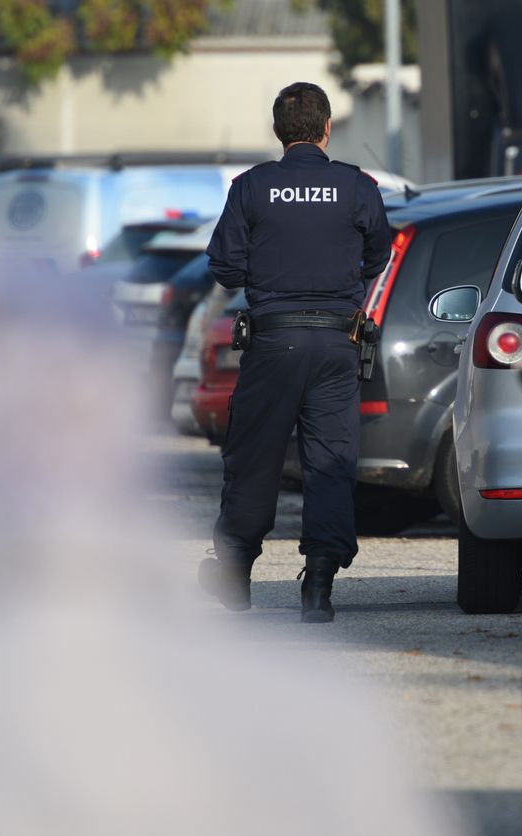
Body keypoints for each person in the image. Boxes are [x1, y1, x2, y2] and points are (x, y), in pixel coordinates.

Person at [198, 82, 390, 623]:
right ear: (327, 128)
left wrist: (269, 274)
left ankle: (235, 573)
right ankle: (319, 587)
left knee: (254, 458)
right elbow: (378, 253)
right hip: (336, 344)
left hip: (272, 343)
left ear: (277, 132)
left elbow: (224, 266)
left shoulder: (251, 187)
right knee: (330, 461)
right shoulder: (357, 186)